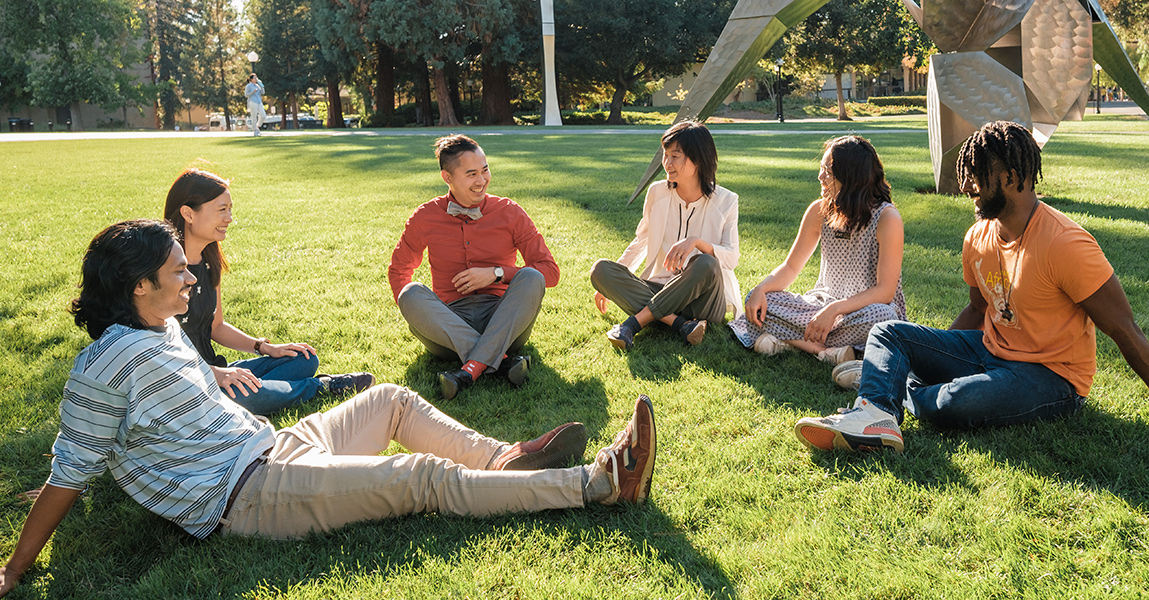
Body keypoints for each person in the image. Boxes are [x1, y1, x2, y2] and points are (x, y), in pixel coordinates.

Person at [0, 220, 657, 598]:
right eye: (178, 272)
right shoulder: (103, 366)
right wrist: (13, 569)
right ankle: (599, 484)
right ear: (139, 286)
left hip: (273, 449)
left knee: (395, 401)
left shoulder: (162, 328)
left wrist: (234, 364)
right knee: (418, 477)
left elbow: (176, 390)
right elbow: (71, 467)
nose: (191, 278)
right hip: (245, 497)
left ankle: (504, 462)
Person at [794, 121, 1149, 453]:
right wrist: (932, 351)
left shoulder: (1065, 244)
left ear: (1014, 177)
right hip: (991, 352)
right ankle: (873, 415)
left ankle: (889, 384)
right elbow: (978, 311)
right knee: (888, 333)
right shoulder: (978, 237)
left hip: (1051, 377)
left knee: (944, 405)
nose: (966, 186)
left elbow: (1125, 329)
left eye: (978, 175)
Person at [162, 168, 373, 415]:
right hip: (185, 382)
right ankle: (319, 387)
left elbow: (215, 327)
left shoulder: (211, 260)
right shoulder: (164, 267)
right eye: (221, 209)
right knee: (244, 397)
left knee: (303, 359)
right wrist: (215, 374)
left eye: (230, 209)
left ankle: (271, 390)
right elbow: (158, 352)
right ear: (188, 213)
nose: (229, 218)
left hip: (218, 371)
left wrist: (264, 347)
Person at [390, 135, 560, 398]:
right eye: (471, 174)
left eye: (485, 170)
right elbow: (399, 271)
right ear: (447, 177)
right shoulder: (425, 216)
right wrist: (420, 315)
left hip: (505, 321)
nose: (482, 180)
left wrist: (497, 273)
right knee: (410, 293)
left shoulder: (510, 212)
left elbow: (549, 271)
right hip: (449, 329)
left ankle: (470, 369)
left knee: (531, 276)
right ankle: (501, 361)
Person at [729, 135, 905, 367]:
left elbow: (885, 292)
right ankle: (826, 351)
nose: (820, 177)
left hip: (863, 312)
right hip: (820, 306)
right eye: (822, 169)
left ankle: (792, 342)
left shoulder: (887, 218)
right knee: (760, 301)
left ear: (851, 177)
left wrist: (835, 310)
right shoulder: (819, 211)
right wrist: (761, 289)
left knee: (885, 320)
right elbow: (791, 267)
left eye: (828, 172)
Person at [590, 121, 741, 350]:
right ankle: (681, 325)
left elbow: (731, 258)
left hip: (703, 301)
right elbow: (641, 241)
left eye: (675, 156)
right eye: (665, 154)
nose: (666, 163)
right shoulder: (657, 192)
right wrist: (613, 278)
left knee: (706, 263)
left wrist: (697, 242)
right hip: (658, 288)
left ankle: (634, 323)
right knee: (601, 269)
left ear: (698, 159)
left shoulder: (727, 201)